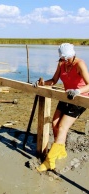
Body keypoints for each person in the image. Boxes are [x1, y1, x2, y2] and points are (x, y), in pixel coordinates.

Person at [33, 43, 89, 172]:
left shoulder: (79, 64)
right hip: (66, 96)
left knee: (63, 127)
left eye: (67, 58)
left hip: (79, 98)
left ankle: (49, 161)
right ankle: (61, 150)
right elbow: (53, 80)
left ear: (73, 55)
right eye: (63, 59)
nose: (65, 61)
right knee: (55, 123)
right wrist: (42, 83)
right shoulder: (61, 64)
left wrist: (78, 91)